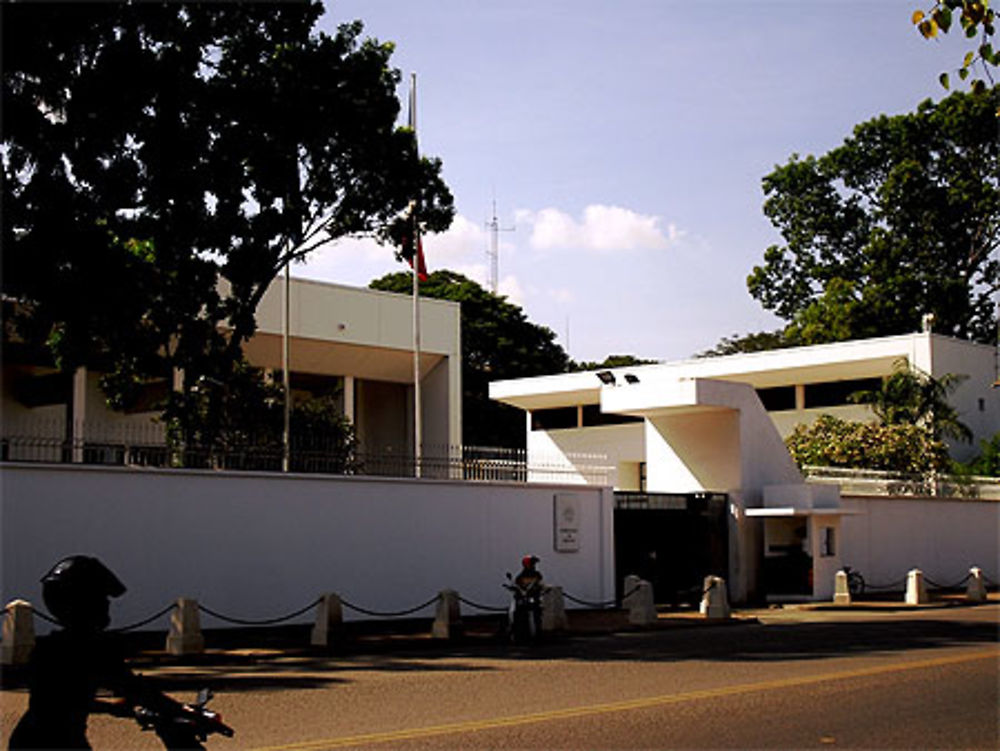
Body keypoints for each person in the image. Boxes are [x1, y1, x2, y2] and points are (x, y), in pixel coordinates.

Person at [9, 555, 183, 750]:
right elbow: (133, 688)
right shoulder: (90, 647)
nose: (107, 604)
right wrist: (182, 710)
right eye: (101, 597)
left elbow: (62, 700)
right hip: (59, 742)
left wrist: (111, 707)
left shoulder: (49, 646)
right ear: (85, 601)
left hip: (34, 740)